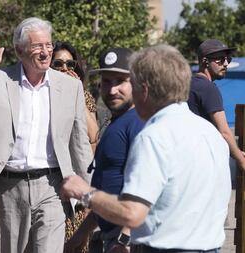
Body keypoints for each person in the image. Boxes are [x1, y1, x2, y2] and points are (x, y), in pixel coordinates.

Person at [60, 45, 231, 253]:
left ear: (145, 88)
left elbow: (133, 213)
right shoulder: (211, 133)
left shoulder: (154, 136)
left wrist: (85, 193)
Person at [0, 17, 93, 253]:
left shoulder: (70, 86)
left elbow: (79, 143)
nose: (45, 52)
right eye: (38, 46)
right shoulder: (0, 79)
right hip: (11, 186)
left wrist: (88, 190)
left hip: (53, 186)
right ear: (20, 50)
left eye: (48, 45)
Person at [65, 48, 144, 253]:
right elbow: (105, 192)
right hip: (109, 236)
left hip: (129, 241)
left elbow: (148, 188)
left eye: (120, 81)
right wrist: (80, 235)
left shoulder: (138, 125)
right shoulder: (115, 122)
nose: (111, 90)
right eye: (107, 81)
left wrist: (124, 240)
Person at [188, 39, 245, 170]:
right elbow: (224, 132)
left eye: (228, 59)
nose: (225, 64)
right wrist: (241, 160)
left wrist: (234, 152)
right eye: (220, 59)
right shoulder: (208, 88)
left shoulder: (189, 84)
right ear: (205, 61)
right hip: (202, 163)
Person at [51, 41, 99, 153]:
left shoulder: (84, 95)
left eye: (70, 64)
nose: (64, 68)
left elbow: (93, 137)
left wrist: (76, 94)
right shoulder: (41, 93)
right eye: (58, 64)